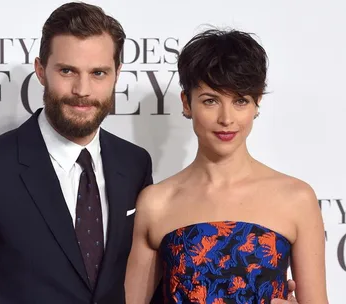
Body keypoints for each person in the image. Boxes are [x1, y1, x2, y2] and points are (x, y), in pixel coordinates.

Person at [0, 2, 152, 303]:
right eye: (67, 71)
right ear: (41, 71)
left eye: (98, 73)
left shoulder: (134, 163)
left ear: (117, 74)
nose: (82, 89)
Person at [125, 29, 328, 303]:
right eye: (210, 101)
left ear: (257, 103)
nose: (226, 119)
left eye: (240, 101)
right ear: (187, 103)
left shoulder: (297, 198)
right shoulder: (157, 202)